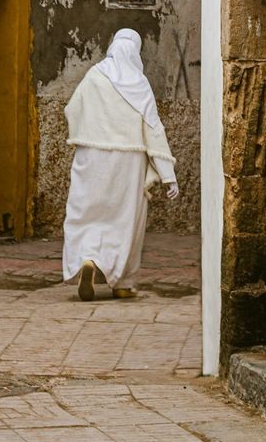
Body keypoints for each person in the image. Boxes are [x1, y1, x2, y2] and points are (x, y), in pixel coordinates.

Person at [62, 28, 179, 301]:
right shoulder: (139, 84)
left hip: (91, 157)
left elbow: (72, 110)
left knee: (86, 213)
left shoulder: (94, 76)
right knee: (125, 220)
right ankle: (122, 282)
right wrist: (167, 174)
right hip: (129, 163)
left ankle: (87, 258)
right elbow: (153, 128)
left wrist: (88, 134)